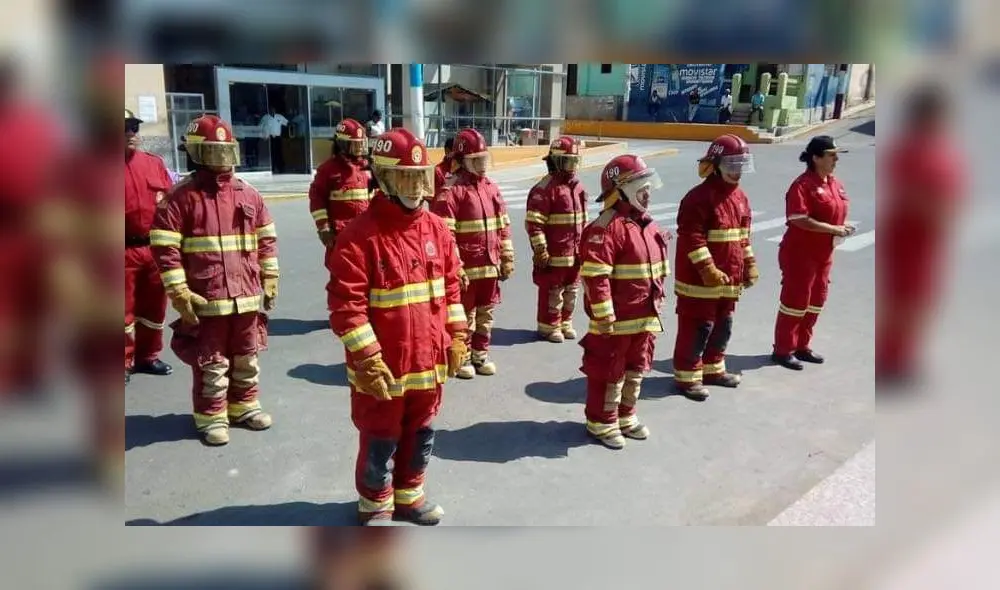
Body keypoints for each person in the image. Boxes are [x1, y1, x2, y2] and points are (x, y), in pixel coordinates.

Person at [327, 127, 468, 526]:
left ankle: (410, 496)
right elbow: (346, 307)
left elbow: (452, 290)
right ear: (384, 178)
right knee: (381, 435)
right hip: (383, 369)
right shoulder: (358, 237)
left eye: (420, 178)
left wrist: (458, 335)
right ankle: (374, 501)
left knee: (422, 433)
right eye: (406, 178)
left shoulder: (437, 229)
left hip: (428, 362)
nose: (415, 188)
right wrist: (369, 360)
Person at [151, 114, 279, 446]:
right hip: (207, 298)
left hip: (246, 296)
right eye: (213, 154)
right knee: (211, 363)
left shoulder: (247, 194)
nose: (222, 162)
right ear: (196, 154)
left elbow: (266, 237)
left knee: (246, 357)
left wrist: (271, 276)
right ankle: (211, 416)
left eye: (226, 153)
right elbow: (166, 249)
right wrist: (179, 292)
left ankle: (245, 407)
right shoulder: (180, 198)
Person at [579, 155, 669, 449]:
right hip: (615, 323)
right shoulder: (605, 227)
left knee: (636, 370)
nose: (648, 193)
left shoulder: (647, 226)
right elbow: (595, 277)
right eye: (641, 186)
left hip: (644, 318)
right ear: (621, 189)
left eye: (648, 186)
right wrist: (604, 317)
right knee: (608, 373)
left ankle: (626, 415)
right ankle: (601, 422)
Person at [877, 85, 964, 386]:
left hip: (930, 240)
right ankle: (890, 360)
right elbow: (910, 193)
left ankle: (903, 357)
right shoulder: (909, 151)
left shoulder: (942, 151)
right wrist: (938, 212)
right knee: (902, 301)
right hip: (909, 237)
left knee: (923, 300)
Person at [672, 134, 757, 401]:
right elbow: (692, 237)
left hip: (728, 280)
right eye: (732, 164)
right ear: (716, 164)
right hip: (698, 281)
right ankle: (688, 377)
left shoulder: (740, 197)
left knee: (723, 325)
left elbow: (743, 236)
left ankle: (713, 370)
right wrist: (708, 269)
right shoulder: (698, 198)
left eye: (741, 164)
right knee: (697, 328)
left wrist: (749, 264)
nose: (737, 171)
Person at [430, 128, 513, 379]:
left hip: (490, 265)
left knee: (486, 313)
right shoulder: (451, 191)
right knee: (464, 316)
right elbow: (446, 237)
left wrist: (507, 257)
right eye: (476, 160)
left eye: (484, 159)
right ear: (463, 160)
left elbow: (503, 225)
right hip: (467, 269)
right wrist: (456, 269)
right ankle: (463, 356)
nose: (482, 165)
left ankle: (480, 354)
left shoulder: (491, 188)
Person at [771, 135, 854, 370]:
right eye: (831, 154)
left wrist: (842, 228)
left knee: (816, 300)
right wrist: (834, 228)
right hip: (800, 253)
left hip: (824, 253)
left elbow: (837, 209)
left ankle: (801, 346)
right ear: (816, 158)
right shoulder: (802, 185)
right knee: (795, 301)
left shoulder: (834, 183)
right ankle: (782, 350)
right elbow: (800, 220)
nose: (836, 158)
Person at [124, 108, 174, 383]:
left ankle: (147, 356)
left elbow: (169, 204)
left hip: (153, 249)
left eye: (134, 128)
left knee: (155, 307)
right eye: (124, 128)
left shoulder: (153, 164)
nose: (130, 133)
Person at [525, 136, 588, 343]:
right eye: (571, 161)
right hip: (554, 255)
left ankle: (565, 322)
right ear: (558, 161)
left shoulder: (578, 188)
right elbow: (534, 224)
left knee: (571, 292)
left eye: (577, 161)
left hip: (575, 254)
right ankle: (549, 326)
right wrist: (541, 250)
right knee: (553, 293)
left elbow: (583, 222)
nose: (574, 166)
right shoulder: (544, 189)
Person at [307, 118, 372, 250]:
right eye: (355, 144)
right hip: (342, 236)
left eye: (361, 144)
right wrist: (323, 227)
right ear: (343, 144)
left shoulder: (366, 167)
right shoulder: (328, 170)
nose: (359, 148)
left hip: (366, 234)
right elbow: (317, 199)